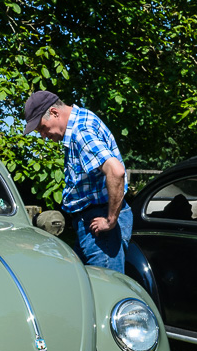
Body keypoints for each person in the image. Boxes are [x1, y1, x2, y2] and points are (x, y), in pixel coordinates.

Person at [23, 90, 132, 272]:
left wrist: (110, 220)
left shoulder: (80, 132)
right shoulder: (82, 120)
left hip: (100, 224)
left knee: (103, 288)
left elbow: (116, 171)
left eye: (42, 128)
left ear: (54, 113)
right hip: (92, 221)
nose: (43, 135)